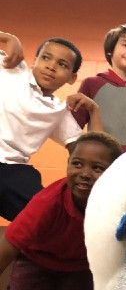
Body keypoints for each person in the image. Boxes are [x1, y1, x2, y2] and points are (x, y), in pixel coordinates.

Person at [0, 132, 122, 290]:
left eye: (97, 168)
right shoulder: (47, 203)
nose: (84, 173)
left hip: (79, 269)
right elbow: (6, 249)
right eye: (77, 164)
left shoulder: (119, 206)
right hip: (36, 263)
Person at [1, 32, 101, 221]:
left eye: (62, 64)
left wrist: (94, 110)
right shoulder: (11, 69)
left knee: (49, 220)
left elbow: (95, 152)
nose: (51, 66)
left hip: (11, 171)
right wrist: (7, 38)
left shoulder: (59, 112)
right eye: (46, 57)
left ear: (72, 78)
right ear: (34, 61)